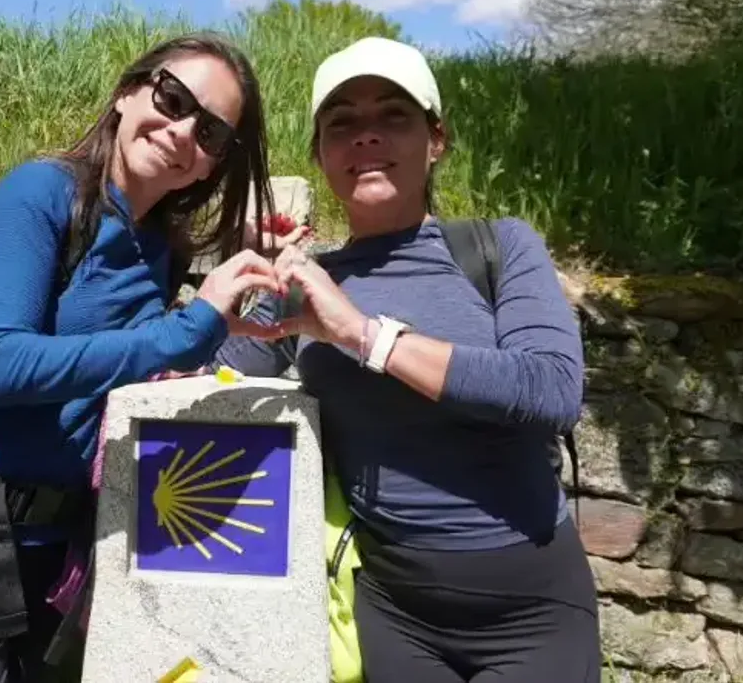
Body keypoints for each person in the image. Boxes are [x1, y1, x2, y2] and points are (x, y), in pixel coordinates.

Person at [0, 33, 293, 683]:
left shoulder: (160, 250)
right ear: (127, 93)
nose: (182, 131)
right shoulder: (36, 195)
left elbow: (122, 363)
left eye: (210, 132)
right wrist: (186, 332)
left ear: (213, 163)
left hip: (53, 553)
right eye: (172, 98)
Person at [214, 37, 601, 682]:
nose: (366, 136)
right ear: (320, 155)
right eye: (342, 124)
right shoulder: (309, 283)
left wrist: (364, 335)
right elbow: (211, 374)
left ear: (436, 139)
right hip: (393, 610)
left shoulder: (500, 248)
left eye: (394, 116)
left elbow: (553, 391)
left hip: (530, 606)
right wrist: (243, 267)